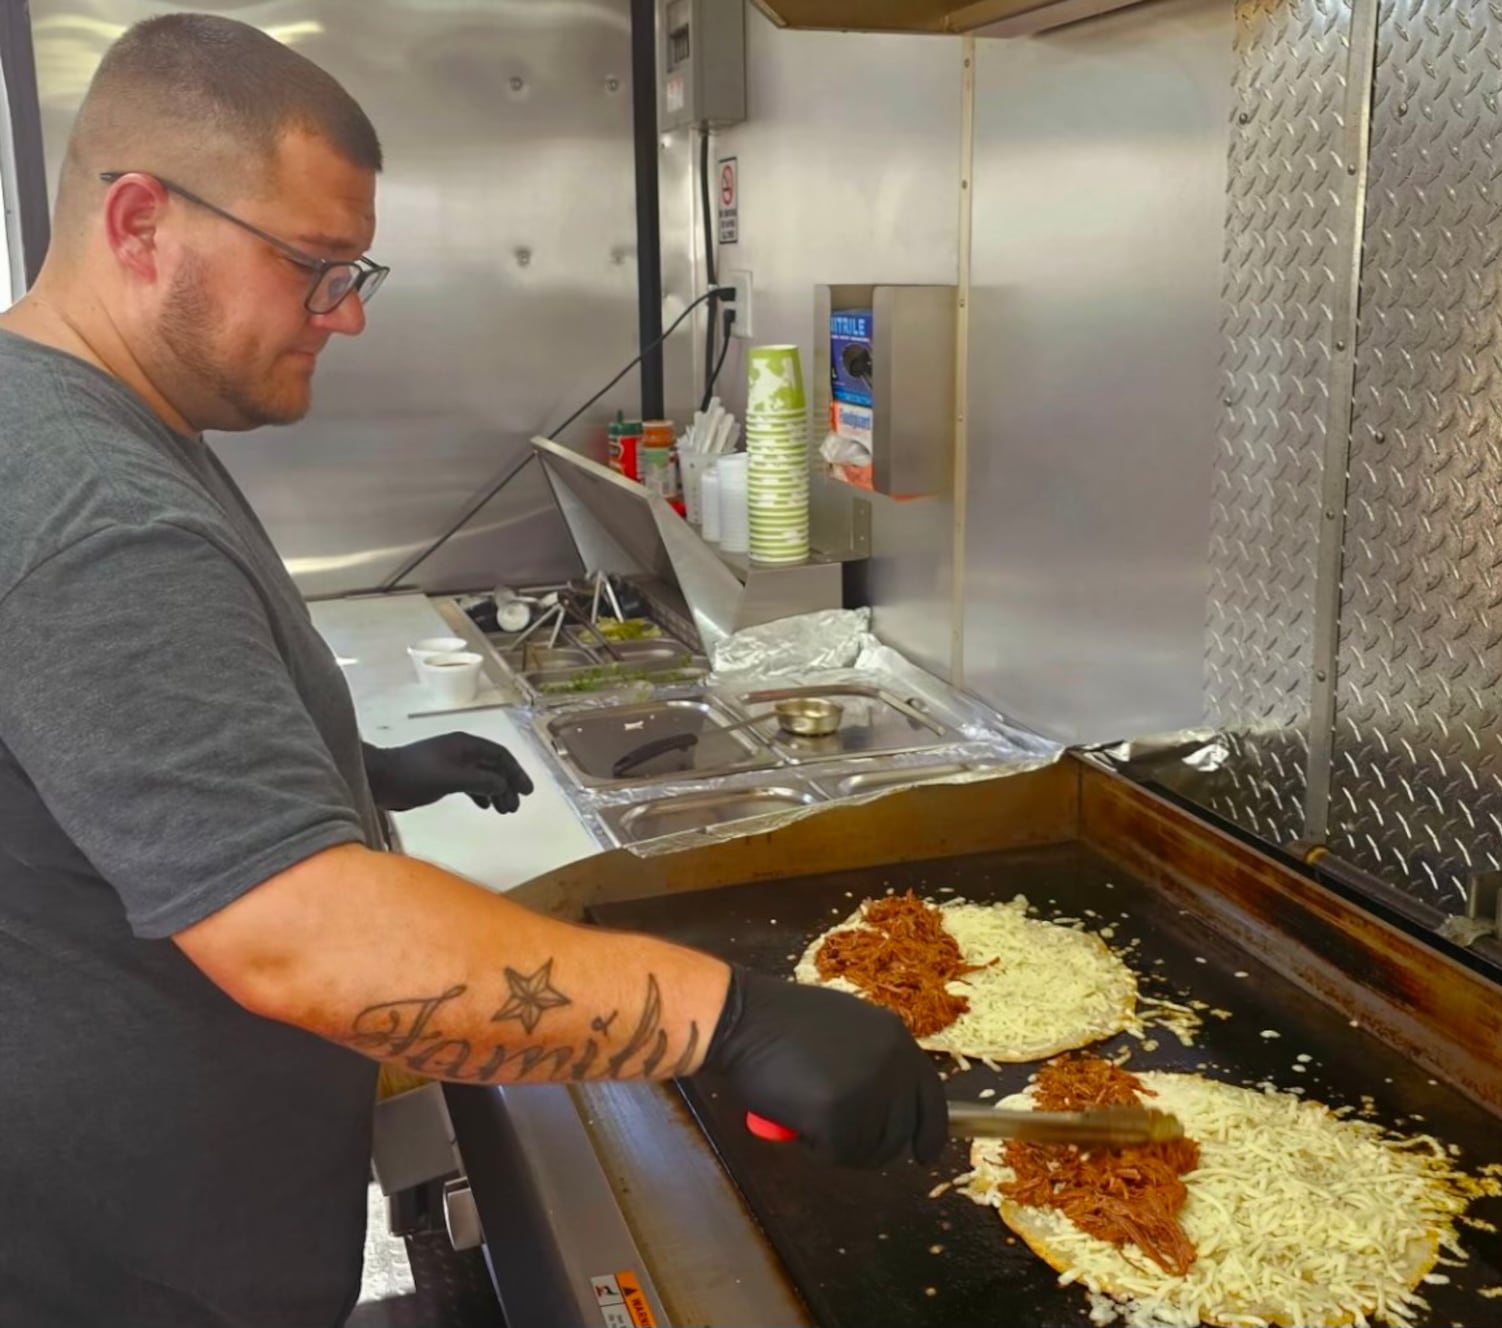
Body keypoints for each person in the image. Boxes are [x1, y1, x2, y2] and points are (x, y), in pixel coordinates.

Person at [0, 14, 946, 1327]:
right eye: (314, 267)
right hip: (125, 1273)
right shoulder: (100, 505)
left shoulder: (60, 416)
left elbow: (80, 753)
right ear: (141, 223)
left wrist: (338, 763)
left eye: (355, 273)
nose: (346, 317)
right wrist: (732, 1023)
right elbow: (304, 947)